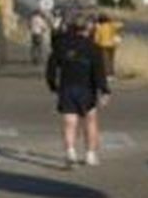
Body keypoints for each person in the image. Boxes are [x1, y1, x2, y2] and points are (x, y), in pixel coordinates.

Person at [46, 16, 109, 167]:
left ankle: (70, 151)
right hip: (87, 88)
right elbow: (99, 71)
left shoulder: (60, 45)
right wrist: (104, 90)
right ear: (87, 29)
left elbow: (51, 67)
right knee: (90, 121)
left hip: (67, 87)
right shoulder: (93, 47)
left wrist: (53, 85)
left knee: (70, 122)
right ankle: (90, 154)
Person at [93, 13, 121, 79]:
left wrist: (96, 45)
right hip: (112, 45)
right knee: (111, 60)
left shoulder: (100, 28)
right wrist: (112, 20)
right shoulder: (112, 26)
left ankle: (107, 74)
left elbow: (96, 38)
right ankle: (112, 74)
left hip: (104, 45)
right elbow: (120, 25)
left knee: (105, 61)